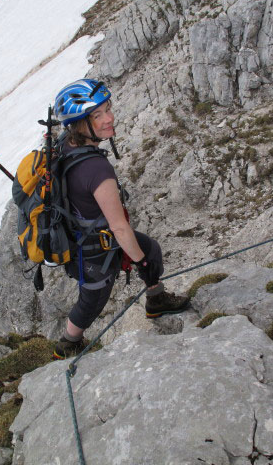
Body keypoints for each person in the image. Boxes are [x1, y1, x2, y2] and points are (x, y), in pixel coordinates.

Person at [51, 78, 190, 360]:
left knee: (151, 247)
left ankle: (156, 299)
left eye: (108, 109)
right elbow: (119, 228)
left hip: (77, 230)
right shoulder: (97, 171)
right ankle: (67, 344)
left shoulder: (66, 144)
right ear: (80, 123)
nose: (109, 118)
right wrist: (141, 262)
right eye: (97, 115)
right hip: (92, 249)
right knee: (94, 297)